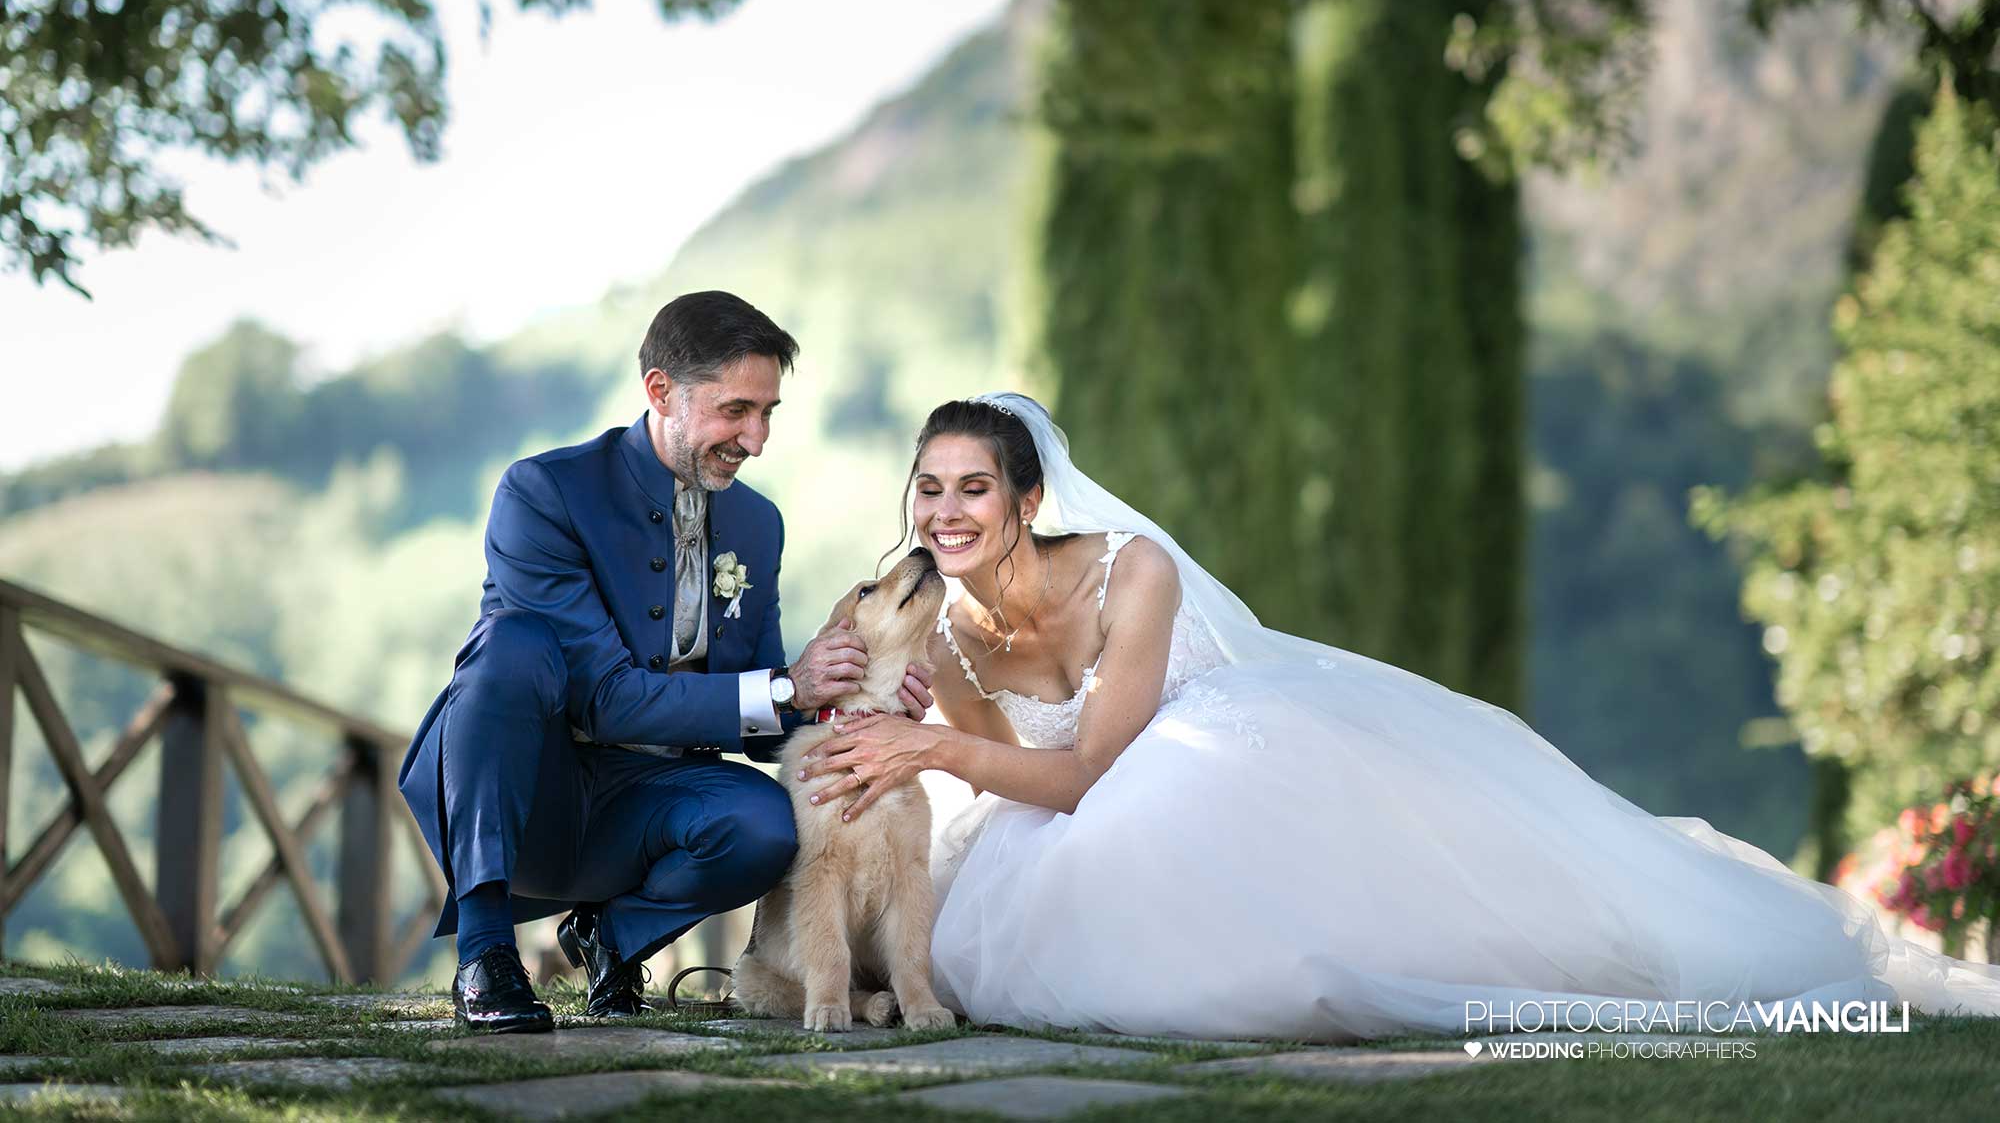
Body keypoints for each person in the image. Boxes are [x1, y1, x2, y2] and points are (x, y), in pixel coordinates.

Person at [798, 393, 2000, 1042]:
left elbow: (1097, 769)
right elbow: (1013, 773)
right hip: (1074, 801)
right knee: (1009, 909)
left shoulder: (1132, 569)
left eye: (972, 486)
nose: (945, 510)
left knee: (1226, 851)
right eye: (927, 487)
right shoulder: (944, 624)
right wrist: (898, 719)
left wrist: (931, 745)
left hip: (1204, 762)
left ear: (1023, 496)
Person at [399, 291, 932, 1033]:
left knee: (766, 823)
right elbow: (609, 698)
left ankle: (612, 940)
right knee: (509, 646)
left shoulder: (758, 523)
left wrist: (857, 696)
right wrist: (784, 686)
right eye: (736, 410)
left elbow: (761, 722)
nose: (757, 438)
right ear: (660, 392)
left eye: (769, 412)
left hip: (651, 802)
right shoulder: (544, 493)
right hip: (536, 795)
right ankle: (486, 952)